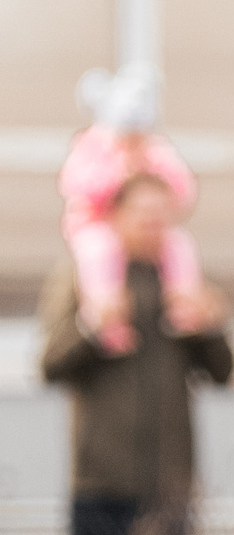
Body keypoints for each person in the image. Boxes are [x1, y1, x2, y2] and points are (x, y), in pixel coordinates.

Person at [38, 171, 234, 535]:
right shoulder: (82, 273)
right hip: (99, 479)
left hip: (168, 482)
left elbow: (223, 372)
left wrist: (212, 325)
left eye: (163, 215)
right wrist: (95, 325)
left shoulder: (185, 279)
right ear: (116, 216)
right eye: (143, 215)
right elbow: (50, 364)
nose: (154, 227)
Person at [61, 61, 207, 354]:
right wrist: (117, 176)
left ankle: (183, 300)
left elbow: (182, 186)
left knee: (181, 245)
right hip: (97, 230)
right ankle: (104, 311)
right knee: (98, 250)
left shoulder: (156, 153)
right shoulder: (95, 153)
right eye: (140, 213)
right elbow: (78, 187)